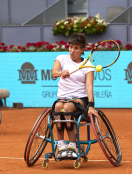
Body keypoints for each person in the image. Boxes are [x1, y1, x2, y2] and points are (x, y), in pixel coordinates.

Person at [51, 32, 98, 161]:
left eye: (76, 48)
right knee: (59, 106)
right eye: (71, 47)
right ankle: (61, 144)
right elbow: (53, 73)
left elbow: (89, 87)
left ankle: (72, 145)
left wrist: (91, 106)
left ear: (82, 49)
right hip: (63, 98)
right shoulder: (61, 58)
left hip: (79, 99)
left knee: (67, 107)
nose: (72, 51)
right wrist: (61, 73)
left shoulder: (88, 66)